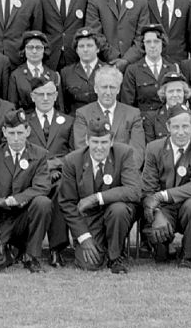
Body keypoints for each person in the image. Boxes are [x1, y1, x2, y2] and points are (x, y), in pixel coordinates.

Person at [57, 116, 140, 274]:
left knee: (118, 209)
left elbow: (134, 190)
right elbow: (67, 203)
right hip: (89, 218)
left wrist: (97, 197)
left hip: (116, 213)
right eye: (95, 142)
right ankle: (101, 248)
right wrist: (84, 237)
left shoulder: (124, 153)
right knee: (89, 264)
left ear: (112, 140)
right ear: (87, 141)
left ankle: (115, 257)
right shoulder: (72, 161)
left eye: (104, 142)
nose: (99, 147)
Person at [0, 110, 53, 273]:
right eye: (12, 133)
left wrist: (10, 200)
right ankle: (14, 253)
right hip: (0, 220)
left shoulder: (39, 155)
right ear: (4, 132)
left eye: (20, 132)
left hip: (25, 217)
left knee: (43, 202)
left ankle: (32, 256)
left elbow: (42, 187)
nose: (16, 138)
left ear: (28, 131)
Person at [141, 104, 191, 268]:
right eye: (176, 127)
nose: (181, 132)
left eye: (185, 126)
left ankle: (188, 254)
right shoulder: (154, 148)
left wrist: (161, 195)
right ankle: (165, 245)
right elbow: (147, 190)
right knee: (160, 255)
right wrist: (157, 212)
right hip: (164, 207)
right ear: (168, 127)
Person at [23, 74, 75, 266]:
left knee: (60, 189)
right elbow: (20, 152)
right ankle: (27, 247)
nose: (45, 98)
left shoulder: (68, 121)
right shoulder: (24, 122)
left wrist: (55, 165)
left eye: (49, 94)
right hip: (31, 176)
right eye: (40, 94)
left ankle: (57, 248)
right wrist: (44, 168)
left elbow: (74, 152)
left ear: (55, 96)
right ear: (32, 96)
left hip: (60, 175)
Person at [73, 66, 145, 167]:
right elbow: (82, 149)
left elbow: (138, 151)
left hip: (125, 173)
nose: (108, 92)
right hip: (94, 173)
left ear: (118, 89)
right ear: (96, 89)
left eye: (112, 87)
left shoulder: (133, 114)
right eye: (104, 87)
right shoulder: (83, 114)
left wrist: (124, 172)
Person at [120, 23, 180, 124]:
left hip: (168, 122)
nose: (152, 46)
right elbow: (127, 105)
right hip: (142, 123)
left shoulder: (173, 69)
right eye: (148, 42)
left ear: (162, 43)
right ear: (143, 44)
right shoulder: (133, 70)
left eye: (156, 41)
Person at [6, 30, 63, 112]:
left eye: (38, 47)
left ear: (44, 50)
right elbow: (12, 107)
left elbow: (59, 108)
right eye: (30, 47)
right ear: (24, 50)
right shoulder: (16, 75)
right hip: (25, 121)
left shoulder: (53, 75)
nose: (34, 51)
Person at [58, 27, 105, 114]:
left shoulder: (108, 71)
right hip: (76, 123)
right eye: (81, 46)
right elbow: (63, 105)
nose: (85, 50)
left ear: (97, 49)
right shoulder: (66, 73)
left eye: (89, 45)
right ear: (77, 50)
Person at [144, 71, 191, 143]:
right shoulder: (152, 118)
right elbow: (150, 147)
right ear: (164, 94)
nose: (175, 95)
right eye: (171, 91)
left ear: (184, 93)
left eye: (179, 91)